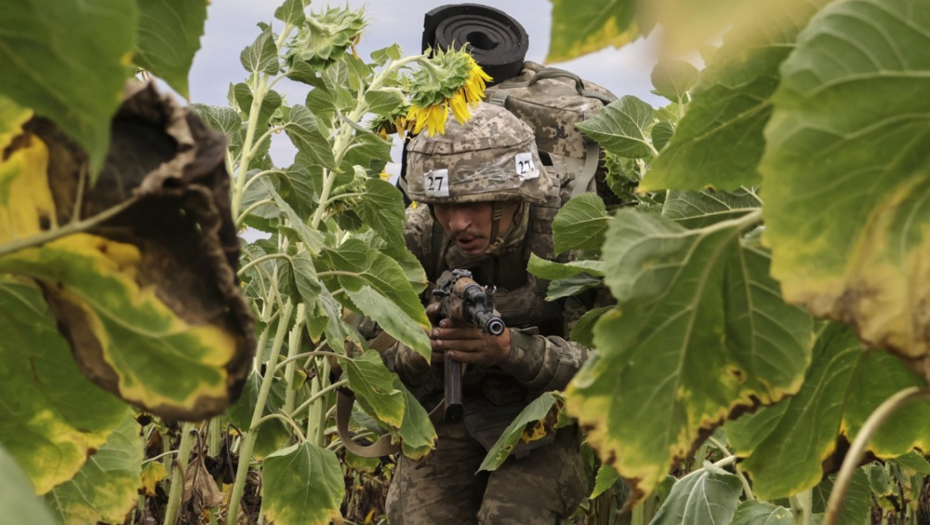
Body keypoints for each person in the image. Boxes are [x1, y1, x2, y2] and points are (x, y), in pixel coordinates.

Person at [382, 103, 592, 525]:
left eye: (475, 204)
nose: (457, 223)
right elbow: (360, 359)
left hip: (548, 419)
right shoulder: (421, 235)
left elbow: (612, 368)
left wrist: (513, 350)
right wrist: (421, 345)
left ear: (515, 196)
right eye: (444, 207)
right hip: (451, 412)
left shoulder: (573, 233)